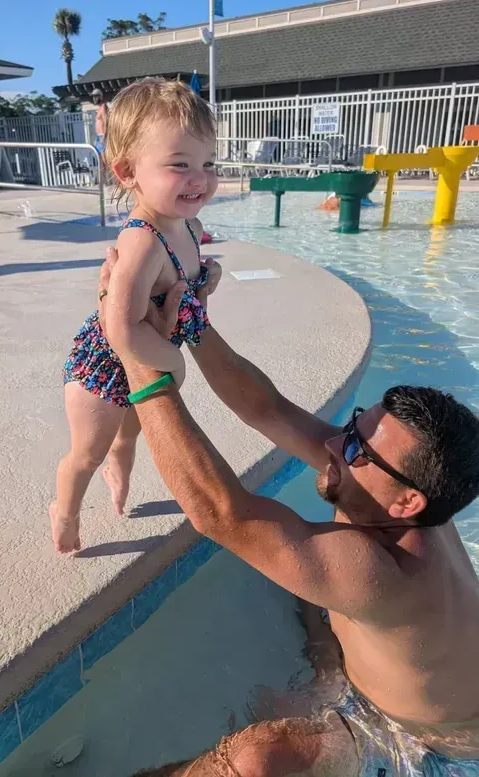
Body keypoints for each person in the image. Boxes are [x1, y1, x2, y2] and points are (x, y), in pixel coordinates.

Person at [98, 252, 479, 775]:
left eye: (355, 451)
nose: (333, 445)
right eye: (351, 429)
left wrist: (135, 355)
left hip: (423, 734)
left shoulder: (379, 570)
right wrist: (187, 315)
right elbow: (267, 409)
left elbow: (219, 513)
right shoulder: (406, 498)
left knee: (257, 760)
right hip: (394, 664)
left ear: (407, 502)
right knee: (304, 593)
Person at [49, 78, 222, 554]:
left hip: (147, 357)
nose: (200, 178)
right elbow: (121, 330)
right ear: (127, 172)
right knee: (87, 453)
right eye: (179, 165)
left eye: (208, 163)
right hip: (104, 368)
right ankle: (64, 511)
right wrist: (176, 362)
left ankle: (120, 465)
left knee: (130, 435)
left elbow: (188, 277)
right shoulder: (143, 241)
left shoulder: (190, 225)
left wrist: (210, 278)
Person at [91, 88, 109, 160]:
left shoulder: (103, 106)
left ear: (100, 97)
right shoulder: (99, 109)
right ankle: (104, 171)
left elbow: (106, 122)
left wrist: (104, 137)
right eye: (93, 97)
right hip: (99, 136)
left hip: (102, 136)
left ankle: (108, 171)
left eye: (96, 96)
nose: (94, 99)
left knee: (105, 159)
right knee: (100, 159)